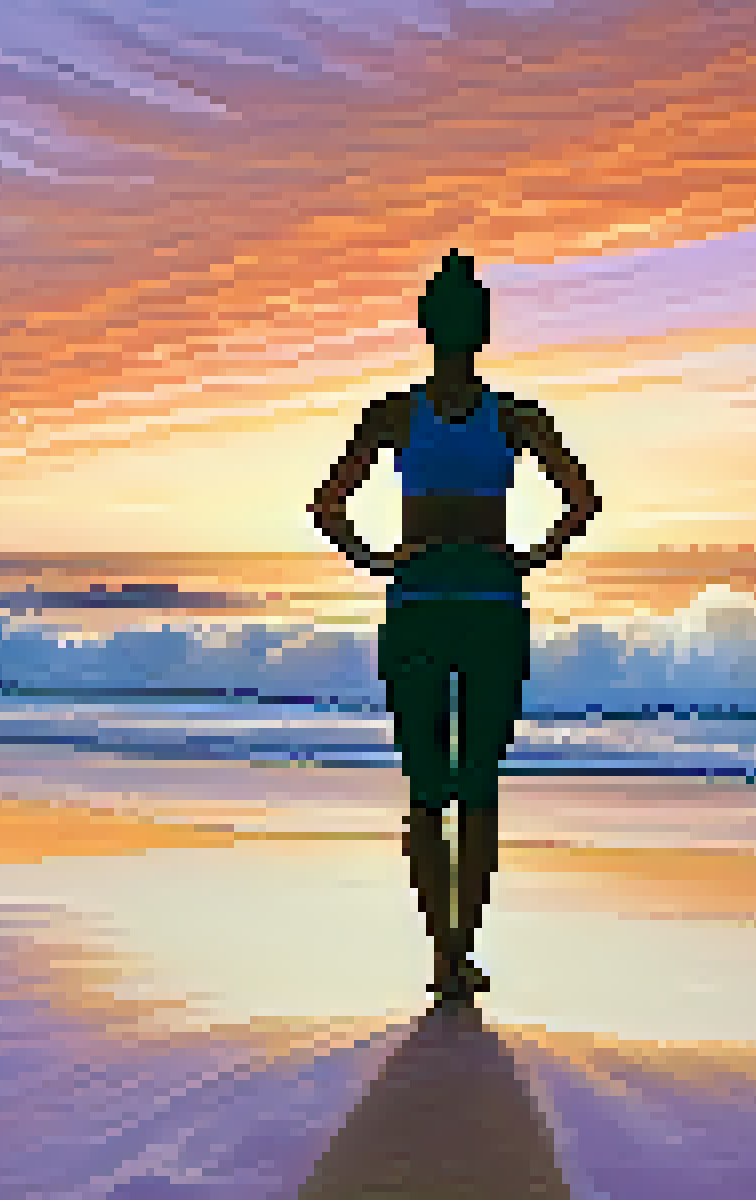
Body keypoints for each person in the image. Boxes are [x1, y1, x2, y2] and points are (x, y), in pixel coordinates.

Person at [308, 249, 601, 1001]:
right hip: (441, 612)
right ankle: (449, 951)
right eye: (461, 316)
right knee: (447, 789)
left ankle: (453, 950)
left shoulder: (508, 417)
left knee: (458, 789)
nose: (464, 329)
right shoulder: (400, 414)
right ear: (449, 325)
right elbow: (327, 506)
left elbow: (581, 499)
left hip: (469, 611)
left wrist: (387, 558)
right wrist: (387, 561)